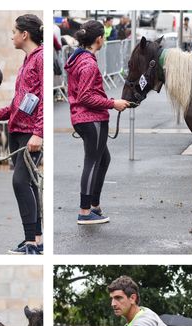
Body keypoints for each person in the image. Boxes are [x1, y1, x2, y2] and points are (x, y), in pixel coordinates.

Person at [0, 14, 43, 255]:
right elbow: (21, 101)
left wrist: (38, 133)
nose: (11, 36)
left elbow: (44, 99)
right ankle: (35, 239)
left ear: (24, 35)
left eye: (14, 31)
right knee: (29, 184)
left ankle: (31, 242)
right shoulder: (28, 60)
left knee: (20, 182)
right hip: (17, 131)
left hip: (29, 135)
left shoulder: (41, 59)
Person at [65, 20, 131, 226]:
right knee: (93, 162)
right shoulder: (89, 64)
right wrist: (113, 103)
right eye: (103, 36)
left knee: (102, 160)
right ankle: (85, 211)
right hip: (91, 118)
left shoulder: (78, 58)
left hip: (83, 118)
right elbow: (86, 96)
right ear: (99, 39)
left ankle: (93, 205)